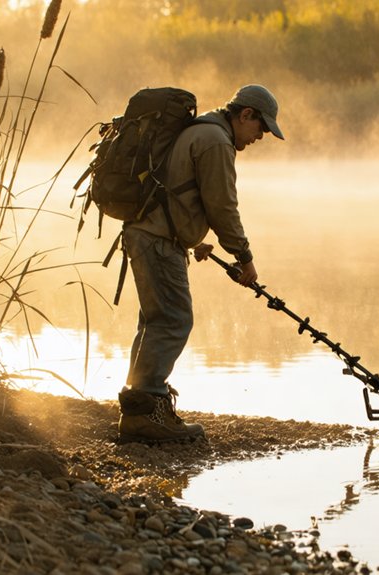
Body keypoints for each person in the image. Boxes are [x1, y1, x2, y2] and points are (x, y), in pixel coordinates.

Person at [116, 84, 285, 443]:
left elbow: (182, 192)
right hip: (158, 240)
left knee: (154, 320)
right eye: (262, 128)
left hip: (149, 235)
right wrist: (244, 256)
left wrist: (193, 238)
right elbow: (222, 206)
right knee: (174, 319)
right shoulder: (216, 141)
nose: (261, 137)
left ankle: (138, 408)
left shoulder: (203, 130)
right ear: (245, 115)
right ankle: (147, 414)